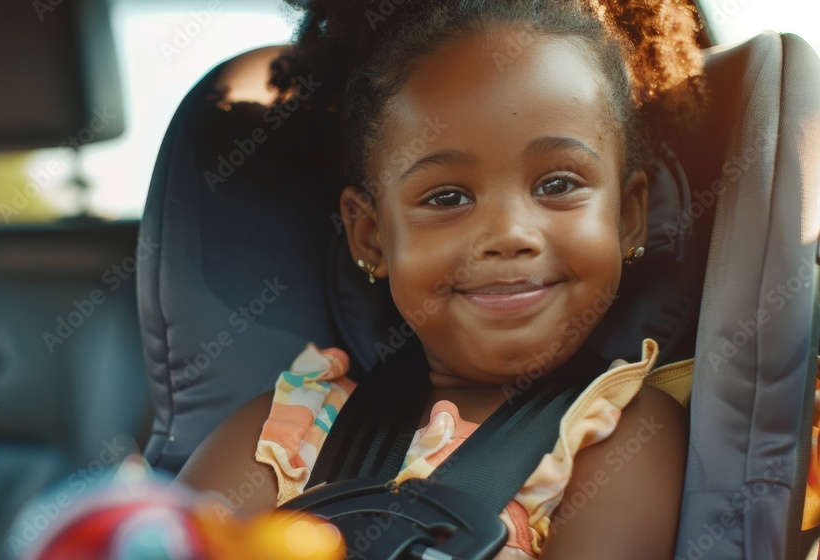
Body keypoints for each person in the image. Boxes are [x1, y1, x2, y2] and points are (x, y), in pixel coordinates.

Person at [178, 0, 707, 557]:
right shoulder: (286, 432)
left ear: (626, 217)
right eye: (447, 197)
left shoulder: (620, 435)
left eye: (556, 184)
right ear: (372, 237)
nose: (509, 233)